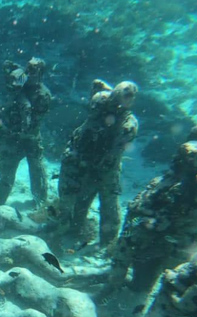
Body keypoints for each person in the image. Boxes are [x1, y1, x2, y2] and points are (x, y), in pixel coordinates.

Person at [108, 129, 197, 293]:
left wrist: (153, 222)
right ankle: (111, 286)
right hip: (146, 219)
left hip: (170, 234)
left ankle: (142, 296)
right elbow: (170, 176)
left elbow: (185, 215)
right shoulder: (192, 155)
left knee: (153, 275)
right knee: (123, 252)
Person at [56, 80, 139, 246]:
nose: (127, 100)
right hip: (88, 164)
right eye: (125, 96)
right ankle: (74, 232)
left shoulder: (129, 124)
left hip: (108, 169)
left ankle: (107, 243)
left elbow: (115, 147)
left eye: (130, 97)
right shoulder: (100, 103)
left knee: (109, 206)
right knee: (82, 200)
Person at [0, 58, 52, 208]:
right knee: (6, 168)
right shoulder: (22, 80)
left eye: (33, 71)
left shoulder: (42, 94)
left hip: (30, 138)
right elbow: (7, 71)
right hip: (11, 136)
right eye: (28, 69)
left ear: (41, 74)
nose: (29, 73)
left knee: (36, 168)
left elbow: (35, 121)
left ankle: (40, 201)